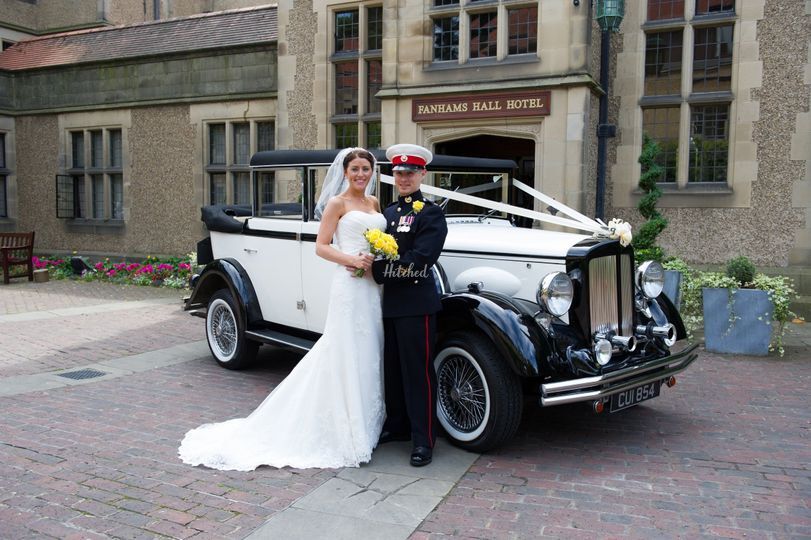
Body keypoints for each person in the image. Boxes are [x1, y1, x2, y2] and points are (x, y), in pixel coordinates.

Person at [178, 147, 384, 471]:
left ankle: (369, 417)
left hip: (372, 286)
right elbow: (321, 246)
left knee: (369, 349)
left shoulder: (373, 203)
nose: (361, 174)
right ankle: (346, 423)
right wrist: (352, 260)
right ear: (345, 172)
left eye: (366, 169)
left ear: (372, 172)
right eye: (355, 169)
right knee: (344, 348)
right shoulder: (336, 203)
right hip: (349, 282)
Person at [372, 143, 448, 467]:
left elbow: (421, 261)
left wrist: (378, 271)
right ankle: (399, 426)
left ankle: (423, 439)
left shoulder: (430, 213)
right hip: (389, 304)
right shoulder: (387, 214)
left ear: (422, 174)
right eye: (399, 172)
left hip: (417, 304)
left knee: (418, 374)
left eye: (411, 172)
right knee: (392, 371)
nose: (404, 177)